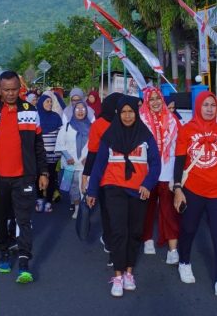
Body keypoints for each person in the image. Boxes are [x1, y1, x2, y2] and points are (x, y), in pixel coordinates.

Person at [0, 71, 48, 284]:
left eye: (14, 89)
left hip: (24, 177)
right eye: (6, 90)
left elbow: (38, 145)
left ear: (20, 88)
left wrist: (43, 172)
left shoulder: (30, 111)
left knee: (24, 220)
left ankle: (24, 262)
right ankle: (4, 252)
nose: (10, 93)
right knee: (1, 219)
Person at [87, 96, 160, 297]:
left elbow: (155, 163)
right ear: (118, 114)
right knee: (119, 231)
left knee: (135, 232)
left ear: (136, 114)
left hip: (139, 190)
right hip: (114, 188)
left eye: (131, 112)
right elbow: (99, 164)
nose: (128, 116)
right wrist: (92, 190)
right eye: (124, 112)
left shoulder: (146, 136)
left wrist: (147, 184)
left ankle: (129, 272)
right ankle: (117, 275)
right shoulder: (109, 136)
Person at [173, 91, 217, 303]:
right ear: (198, 107)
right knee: (189, 228)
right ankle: (184, 261)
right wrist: (177, 188)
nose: (210, 109)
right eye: (206, 105)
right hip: (193, 189)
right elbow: (179, 161)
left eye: (213, 105)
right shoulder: (187, 130)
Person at [138, 87, 180, 264]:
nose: (155, 102)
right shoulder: (140, 120)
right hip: (147, 170)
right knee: (147, 207)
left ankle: (173, 249)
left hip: (167, 169)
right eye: (151, 99)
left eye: (157, 98)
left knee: (168, 209)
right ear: (146, 101)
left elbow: (178, 147)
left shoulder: (172, 120)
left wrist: (177, 175)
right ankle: (147, 238)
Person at [81, 92, 122, 260]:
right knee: (112, 211)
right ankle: (114, 244)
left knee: (112, 212)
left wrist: (86, 175)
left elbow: (93, 151)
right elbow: (93, 152)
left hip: (115, 176)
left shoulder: (105, 123)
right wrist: (86, 175)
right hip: (110, 176)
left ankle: (111, 240)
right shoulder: (105, 124)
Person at [56, 99, 90, 218]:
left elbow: (95, 145)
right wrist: (67, 156)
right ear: (73, 111)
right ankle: (76, 208)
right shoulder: (66, 126)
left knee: (85, 186)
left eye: (83, 109)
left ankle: (83, 208)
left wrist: (88, 157)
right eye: (77, 109)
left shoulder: (91, 127)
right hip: (70, 163)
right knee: (73, 187)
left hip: (85, 164)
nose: (80, 111)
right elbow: (60, 143)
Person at [36, 94, 62, 213]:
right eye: (47, 102)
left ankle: (48, 201)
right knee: (39, 177)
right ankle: (40, 198)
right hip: (40, 155)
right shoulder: (37, 117)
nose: (49, 104)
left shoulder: (56, 117)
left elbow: (61, 136)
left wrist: (59, 152)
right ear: (41, 103)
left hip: (53, 154)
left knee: (51, 178)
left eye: (51, 102)